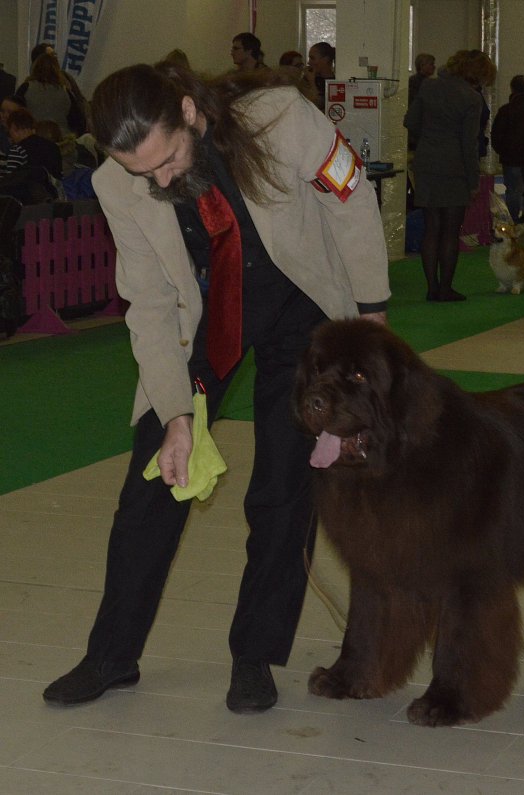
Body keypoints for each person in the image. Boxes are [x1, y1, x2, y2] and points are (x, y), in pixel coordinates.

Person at [42, 63, 390, 712]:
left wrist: (371, 315)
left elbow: (350, 198)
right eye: (142, 172)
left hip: (303, 312)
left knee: (283, 490)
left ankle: (254, 655)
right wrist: (176, 414)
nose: (159, 181)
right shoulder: (118, 182)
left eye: (167, 160)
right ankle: (110, 655)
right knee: (154, 481)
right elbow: (149, 303)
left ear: (188, 111)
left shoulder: (280, 119)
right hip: (205, 320)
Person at [404, 49, 496, 302]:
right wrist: (473, 180)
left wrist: (429, 138)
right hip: (454, 168)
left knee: (431, 227)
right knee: (450, 231)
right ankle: (445, 288)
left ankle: (431, 287)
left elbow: (410, 122)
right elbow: (468, 143)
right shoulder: (472, 98)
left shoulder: (428, 86)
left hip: (426, 163)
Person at [491, 74, 524, 230]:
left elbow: (496, 134)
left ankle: (512, 220)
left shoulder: (506, 110)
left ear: (512, 89)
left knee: (514, 190)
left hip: (511, 157)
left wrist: (502, 151)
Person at [14, 51, 74, 137]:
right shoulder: (65, 92)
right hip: (60, 137)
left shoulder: (26, 88)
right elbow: (76, 119)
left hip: (33, 136)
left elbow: (16, 113)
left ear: (35, 68)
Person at [0, 108, 62, 179]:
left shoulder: (18, 150)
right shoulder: (53, 147)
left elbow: (11, 180)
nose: (10, 136)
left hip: (29, 185)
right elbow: (59, 176)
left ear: (14, 128)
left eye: (10, 131)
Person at [306, 42, 335, 111]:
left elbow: (318, 105)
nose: (309, 62)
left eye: (312, 58)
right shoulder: (306, 79)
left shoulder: (335, 82)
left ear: (325, 59)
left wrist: (312, 82)